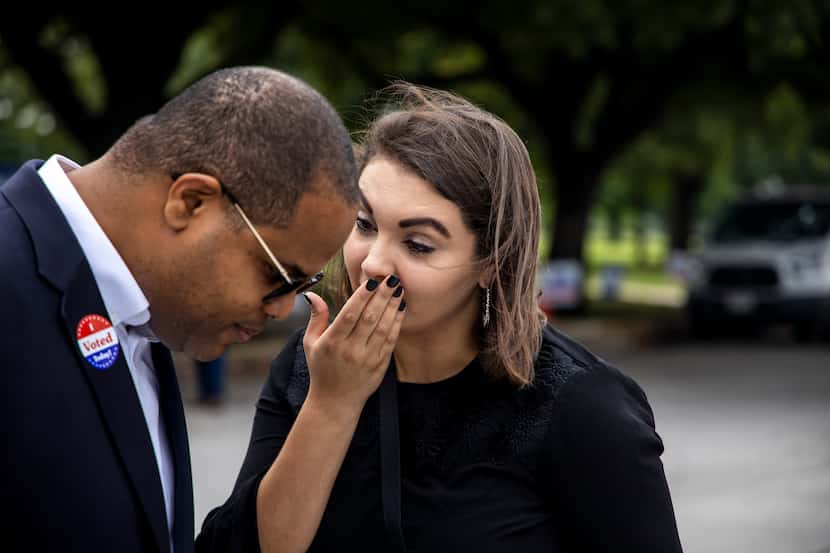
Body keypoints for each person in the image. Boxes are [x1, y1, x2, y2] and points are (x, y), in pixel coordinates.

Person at [196, 84, 683, 553]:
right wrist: (331, 404)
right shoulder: (310, 366)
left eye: (418, 245)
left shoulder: (579, 406)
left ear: (491, 263)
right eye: (364, 225)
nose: (372, 263)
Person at [0, 66, 359, 553]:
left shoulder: (148, 314)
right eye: (278, 276)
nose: (280, 310)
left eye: (303, 286)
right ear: (190, 202)